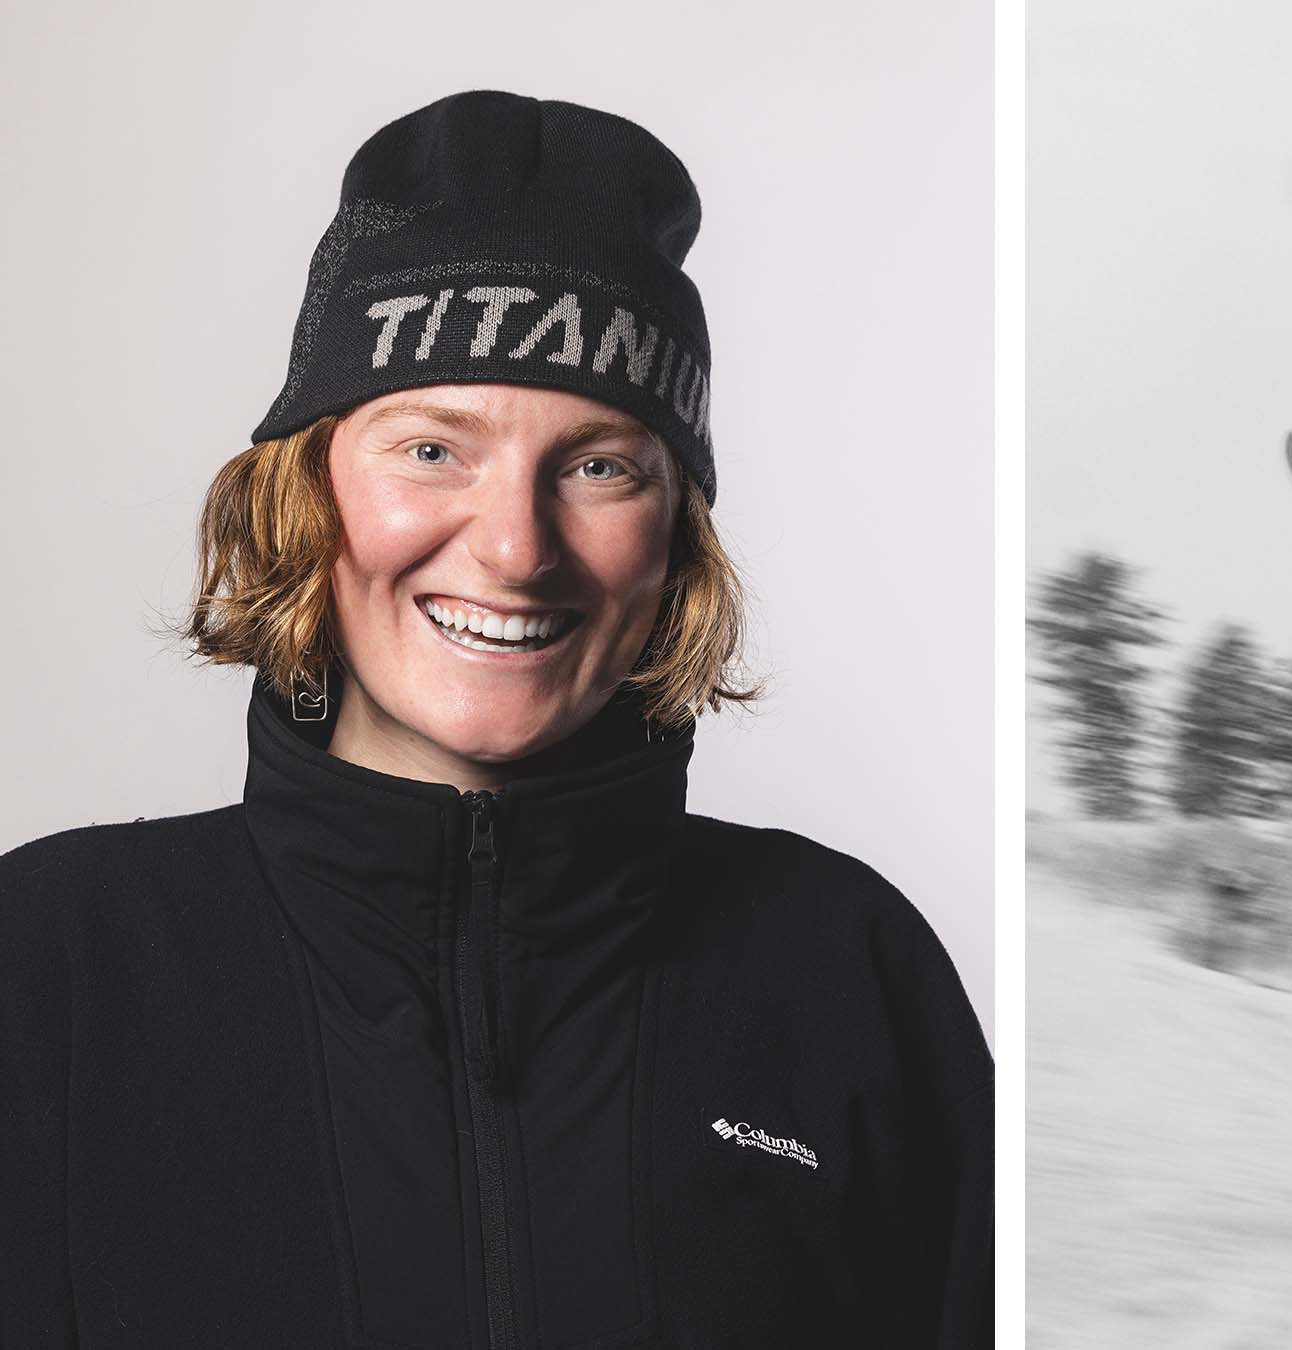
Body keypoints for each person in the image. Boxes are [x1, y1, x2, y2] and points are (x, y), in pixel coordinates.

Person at [0, 91, 991, 1347]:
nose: (518, 549)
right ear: (305, 494)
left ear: (673, 536)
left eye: (599, 465)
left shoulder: (845, 974)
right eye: (432, 449)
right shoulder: (55, 969)